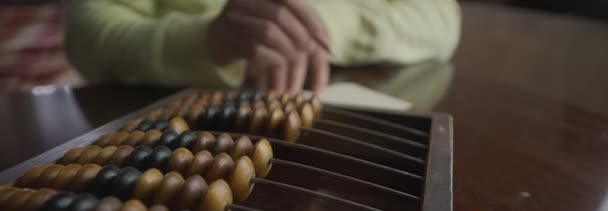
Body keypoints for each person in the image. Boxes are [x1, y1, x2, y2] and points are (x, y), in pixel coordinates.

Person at [63, 0, 461, 94]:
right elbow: (88, 35)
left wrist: (320, 24)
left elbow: (443, 17)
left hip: (334, 137)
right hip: (170, 124)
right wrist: (206, 43)